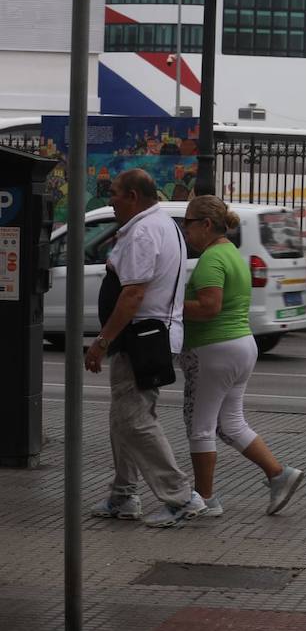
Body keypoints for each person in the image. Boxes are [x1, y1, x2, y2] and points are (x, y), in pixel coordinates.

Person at [84, 169, 207, 528]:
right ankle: (124, 495)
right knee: (123, 417)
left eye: (116, 193)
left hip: (143, 337)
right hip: (148, 336)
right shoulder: (165, 225)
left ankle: (181, 496)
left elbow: (133, 293)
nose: (111, 199)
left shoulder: (143, 231)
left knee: (135, 420)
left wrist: (102, 340)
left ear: (134, 196)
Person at [178, 195, 305, 516]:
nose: (184, 229)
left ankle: (204, 500)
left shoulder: (211, 259)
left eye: (188, 223)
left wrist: (170, 306)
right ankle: (279, 475)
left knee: (201, 427)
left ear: (206, 225)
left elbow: (209, 307)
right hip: (241, 345)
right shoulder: (233, 254)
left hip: (214, 350)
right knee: (230, 423)